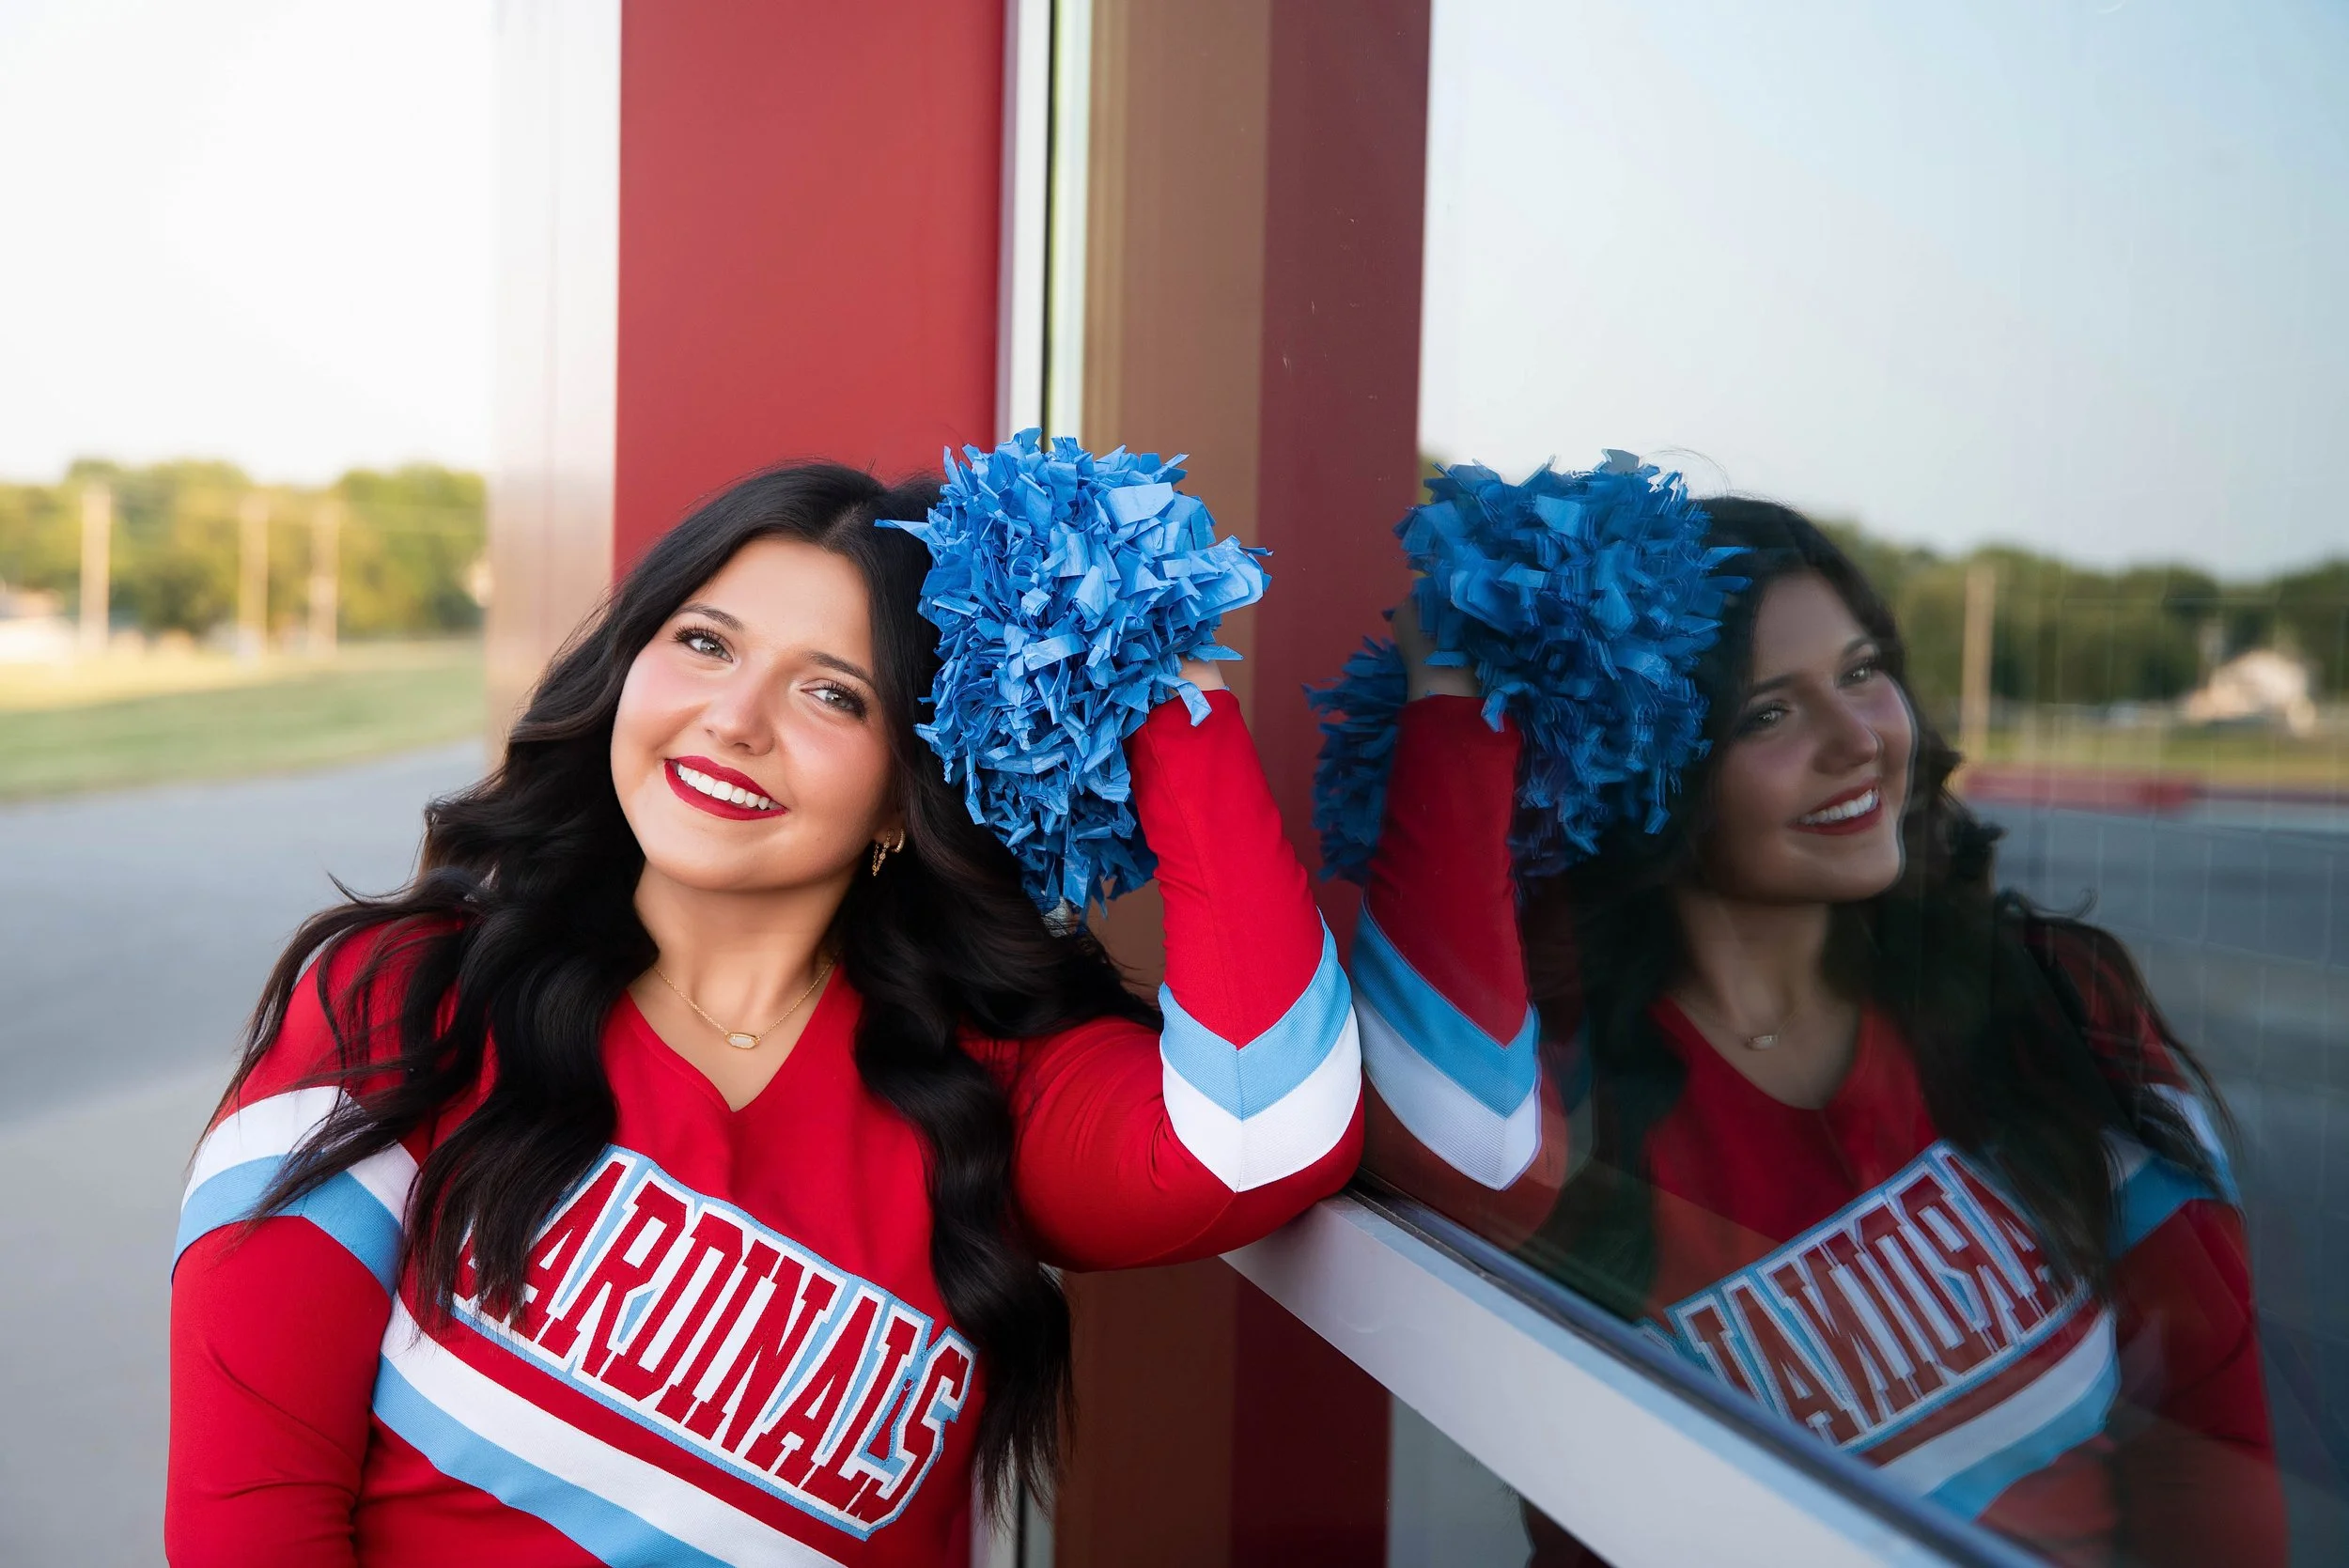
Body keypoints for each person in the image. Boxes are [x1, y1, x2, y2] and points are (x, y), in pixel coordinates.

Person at [166, 463, 1362, 1566]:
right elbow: (248, 1516)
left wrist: (1144, 656)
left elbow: (1269, 1127)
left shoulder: (980, 1087)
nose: (736, 720)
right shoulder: (409, 997)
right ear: (628, 665)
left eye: (833, 695)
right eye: (703, 642)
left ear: (908, 787)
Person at [1351, 499, 2283, 1566]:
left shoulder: (2054, 1002)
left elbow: (2212, 1433)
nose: (1858, 740)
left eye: (1860, 670)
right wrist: (1455, 697)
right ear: (1643, 767)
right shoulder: (1566, 1091)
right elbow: (1438, 1137)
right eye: (1766, 715)